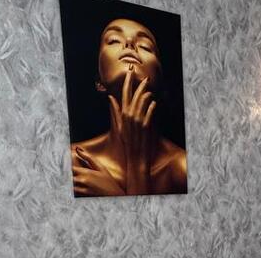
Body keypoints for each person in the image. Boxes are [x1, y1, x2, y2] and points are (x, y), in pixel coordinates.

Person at [71, 17, 187, 196]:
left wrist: (118, 190)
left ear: (160, 83)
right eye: (114, 40)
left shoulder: (181, 167)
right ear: (99, 82)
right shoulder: (76, 162)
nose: (130, 43)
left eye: (146, 46)